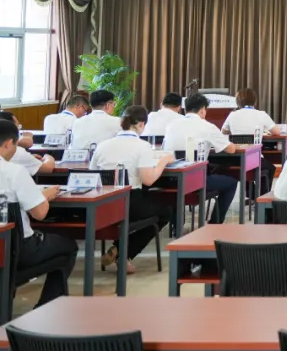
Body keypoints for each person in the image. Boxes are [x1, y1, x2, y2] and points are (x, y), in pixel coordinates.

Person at [90, 106, 176, 275]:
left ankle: (119, 250)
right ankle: (123, 252)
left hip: (103, 202)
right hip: (129, 202)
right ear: (142, 124)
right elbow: (148, 179)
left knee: (149, 204)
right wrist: (164, 161)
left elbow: (92, 174)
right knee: (165, 212)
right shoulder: (142, 146)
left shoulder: (103, 145)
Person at [0, 119, 76, 308]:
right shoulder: (14, 171)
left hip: (6, 246)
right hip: (17, 249)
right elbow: (40, 214)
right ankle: (44, 308)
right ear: (8, 143)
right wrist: (44, 196)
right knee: (69, 246)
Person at [161, 93, 240, 223]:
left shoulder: (172, 125)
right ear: (203, 110)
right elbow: (230, 149)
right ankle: (215, 224)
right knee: (231, 183)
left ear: (185, 109)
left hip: (169, 181)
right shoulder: (207, 126)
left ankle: (175, 225)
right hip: (194, 181)